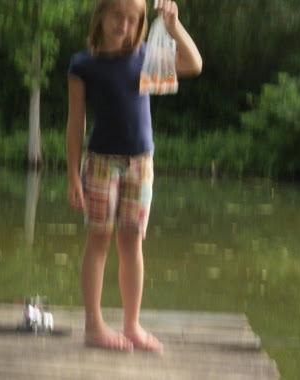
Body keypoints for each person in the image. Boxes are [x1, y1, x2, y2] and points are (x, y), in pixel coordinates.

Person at [66, 0, 202, 354]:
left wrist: (172, 25)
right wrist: (72, 175)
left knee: (131, 244)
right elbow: (75, 122)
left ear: (141, 22)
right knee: (98, 241)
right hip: (98, 164)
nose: (123, 25)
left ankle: (131, 325)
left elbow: (193, 64)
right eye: (117, 15)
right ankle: (94, 325)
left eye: (132, 19)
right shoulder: (83, 64)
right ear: (101, 15)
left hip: (141, 164)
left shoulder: (146, 57)